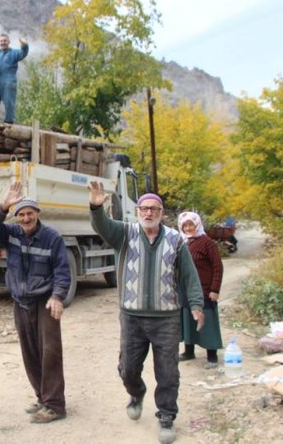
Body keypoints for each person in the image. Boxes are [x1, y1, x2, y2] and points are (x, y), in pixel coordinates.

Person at [88, 184, 204, 444]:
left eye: (153, 209)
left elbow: (189, 276)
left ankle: (166, 416)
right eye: (143, 208)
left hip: (166, 319)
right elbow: (102, 225)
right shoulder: (124, 233)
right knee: (128, 368)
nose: (148, 213)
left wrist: (196, 305)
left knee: (168, 372)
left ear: (162, 213)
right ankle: (137, 392)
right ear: (137, 211)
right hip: (132, 317)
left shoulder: (176, 240)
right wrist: (96, 207)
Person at [0, 182, 69, 424]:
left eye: (29, 213)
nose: (25, 218)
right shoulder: (11, 234)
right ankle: (43, 398)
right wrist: (3, 206)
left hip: (44, 301)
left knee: (50, 352)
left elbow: (62, 270)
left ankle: (55, 405)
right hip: (20, 301)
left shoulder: (52, 238)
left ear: (38, 214)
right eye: (20, 214)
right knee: (30, 353)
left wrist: (57, 296)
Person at [177, 212, 224, 368]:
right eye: (185, 225)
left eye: (191, 224)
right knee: (188, 320)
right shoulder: (182, 243)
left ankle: (212, 355)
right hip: (186, 290)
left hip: (204, 290)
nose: (188, 228)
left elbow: (217, 267)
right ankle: (188, 351)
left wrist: (214, 289)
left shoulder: (208, 243)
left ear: (197, 225)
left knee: (207, 321)